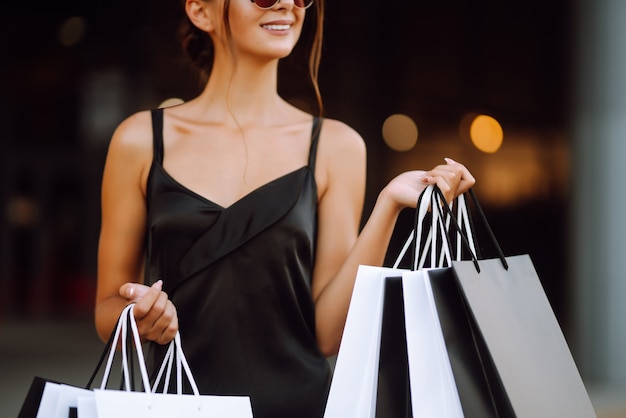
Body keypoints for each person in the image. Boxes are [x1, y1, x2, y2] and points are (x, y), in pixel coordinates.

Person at [94, 0, 475, 416]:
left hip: (301, 406)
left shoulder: (336, 146)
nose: (286, 4)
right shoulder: (140, 140)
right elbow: (106, 309)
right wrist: (140, 316)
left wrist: (389, 206)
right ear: (201, 11)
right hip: (180, 407)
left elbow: (328, 336)